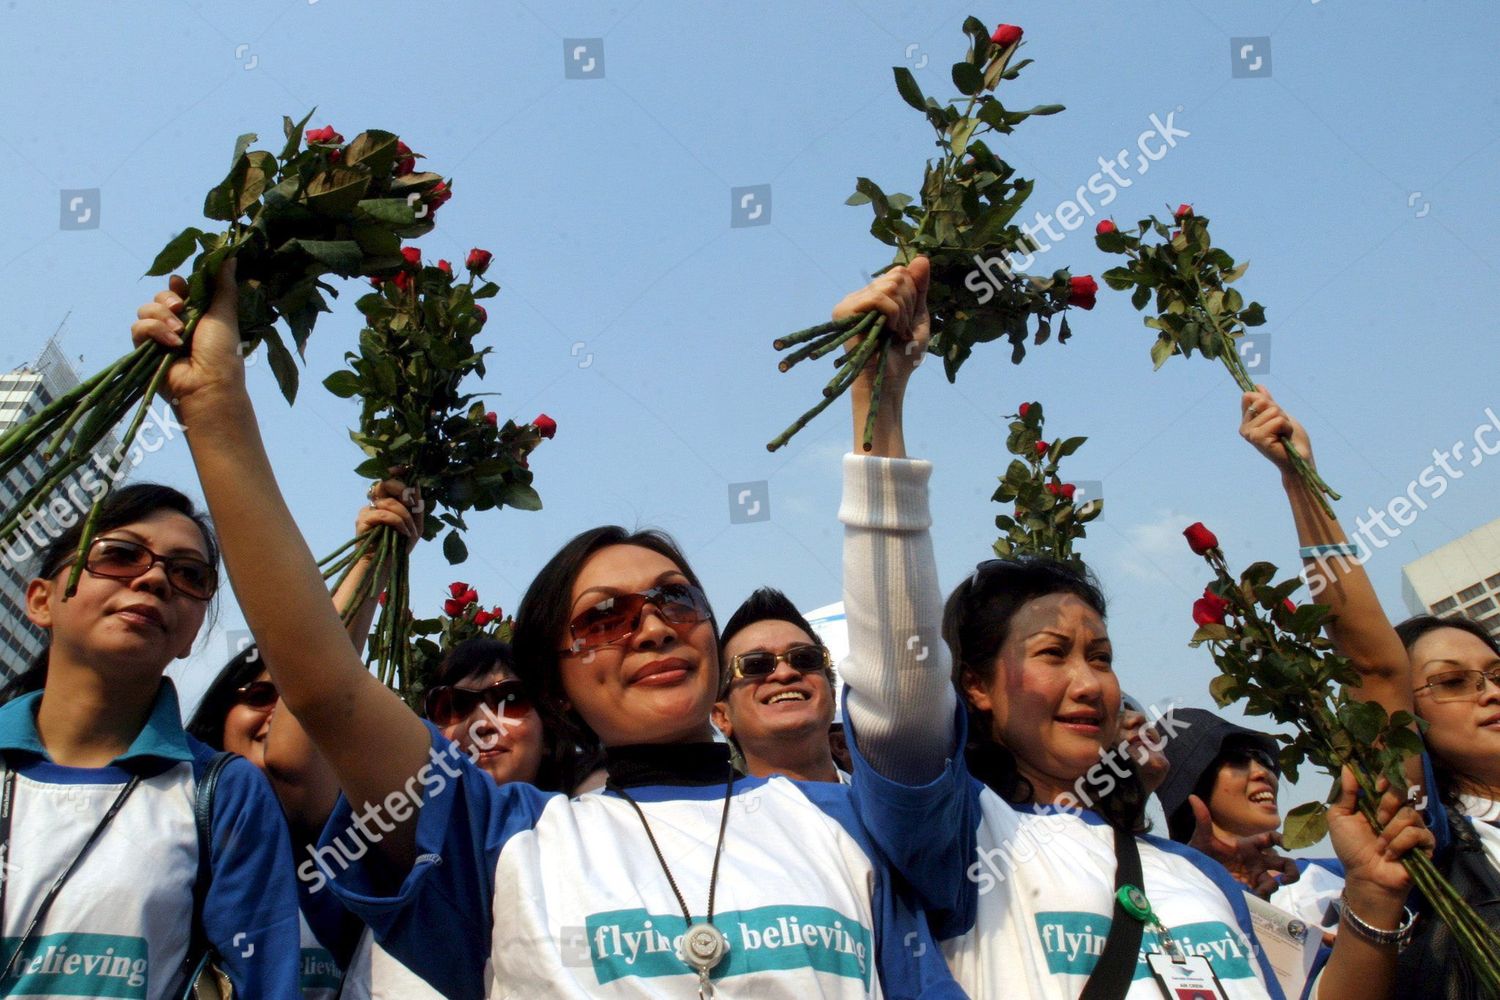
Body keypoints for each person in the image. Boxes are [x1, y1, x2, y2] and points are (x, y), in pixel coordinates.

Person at [129, 263, 956, 998]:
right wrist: (216, 409)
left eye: (677, 600)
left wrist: (877, 403)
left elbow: (905, 686)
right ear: (555, 685)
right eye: (604, 619)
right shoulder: (494, 836)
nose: (653, 628)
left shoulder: (845, 825)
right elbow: (323, 687)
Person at [832, 258, 1435, 999]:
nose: (1090, 683)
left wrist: (1373, 903)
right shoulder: (961, 841)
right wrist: (880, 398)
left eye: (1103, 655)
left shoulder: (1197, 878)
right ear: (974, 689)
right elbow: (899, 682)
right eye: (1052, 654)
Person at [1240, 386, 1500, 994]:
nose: (1489, 693)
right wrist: (1300, 480)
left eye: (1497, 674)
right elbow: (1371, 663)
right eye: (1453, 683)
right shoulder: (1426, 831)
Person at [0, 482, 299, 997]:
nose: (155, 578)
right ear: (40, 600)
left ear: (191, 635)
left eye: (188, 574)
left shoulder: (225, 795)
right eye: (119, 555)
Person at [186, 494, 420, 999]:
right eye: (260, 695)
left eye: (294, 699)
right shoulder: (177, 816)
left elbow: (316, 708)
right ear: (217, 714)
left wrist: (372, 559)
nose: (281, 712)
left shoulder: (360, 841)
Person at [711, 586, 845, 783]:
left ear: (832, 699)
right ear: (722, 716)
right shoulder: (700, 813)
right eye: (755, 664)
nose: (785, 673)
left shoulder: (895, 807)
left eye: (804, 658)